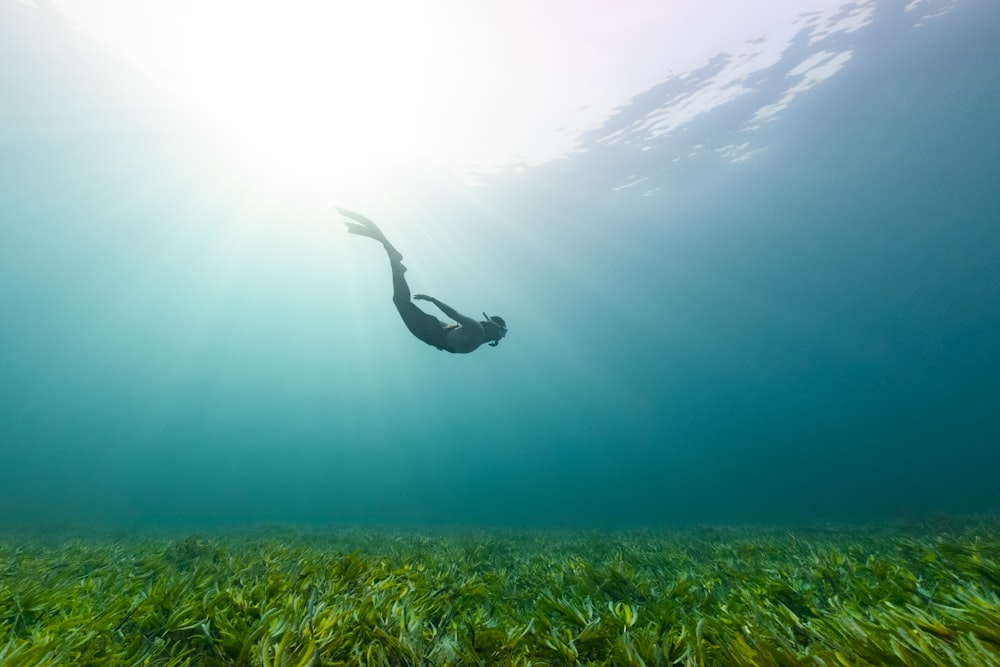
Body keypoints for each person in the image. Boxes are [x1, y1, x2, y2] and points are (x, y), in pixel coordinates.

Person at [339, 208, 507, 353]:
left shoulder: (480, 337)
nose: (500, 337)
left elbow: (451, 327)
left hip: (435, 335)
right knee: (400, 301)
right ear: (493, 326)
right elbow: (454, 314)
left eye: (502, 335)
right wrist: (432, 300)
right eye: (500, 332)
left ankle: (397, 266)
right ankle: (396, 264)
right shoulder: (477, 330)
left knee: (400, 301)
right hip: (434, 333)